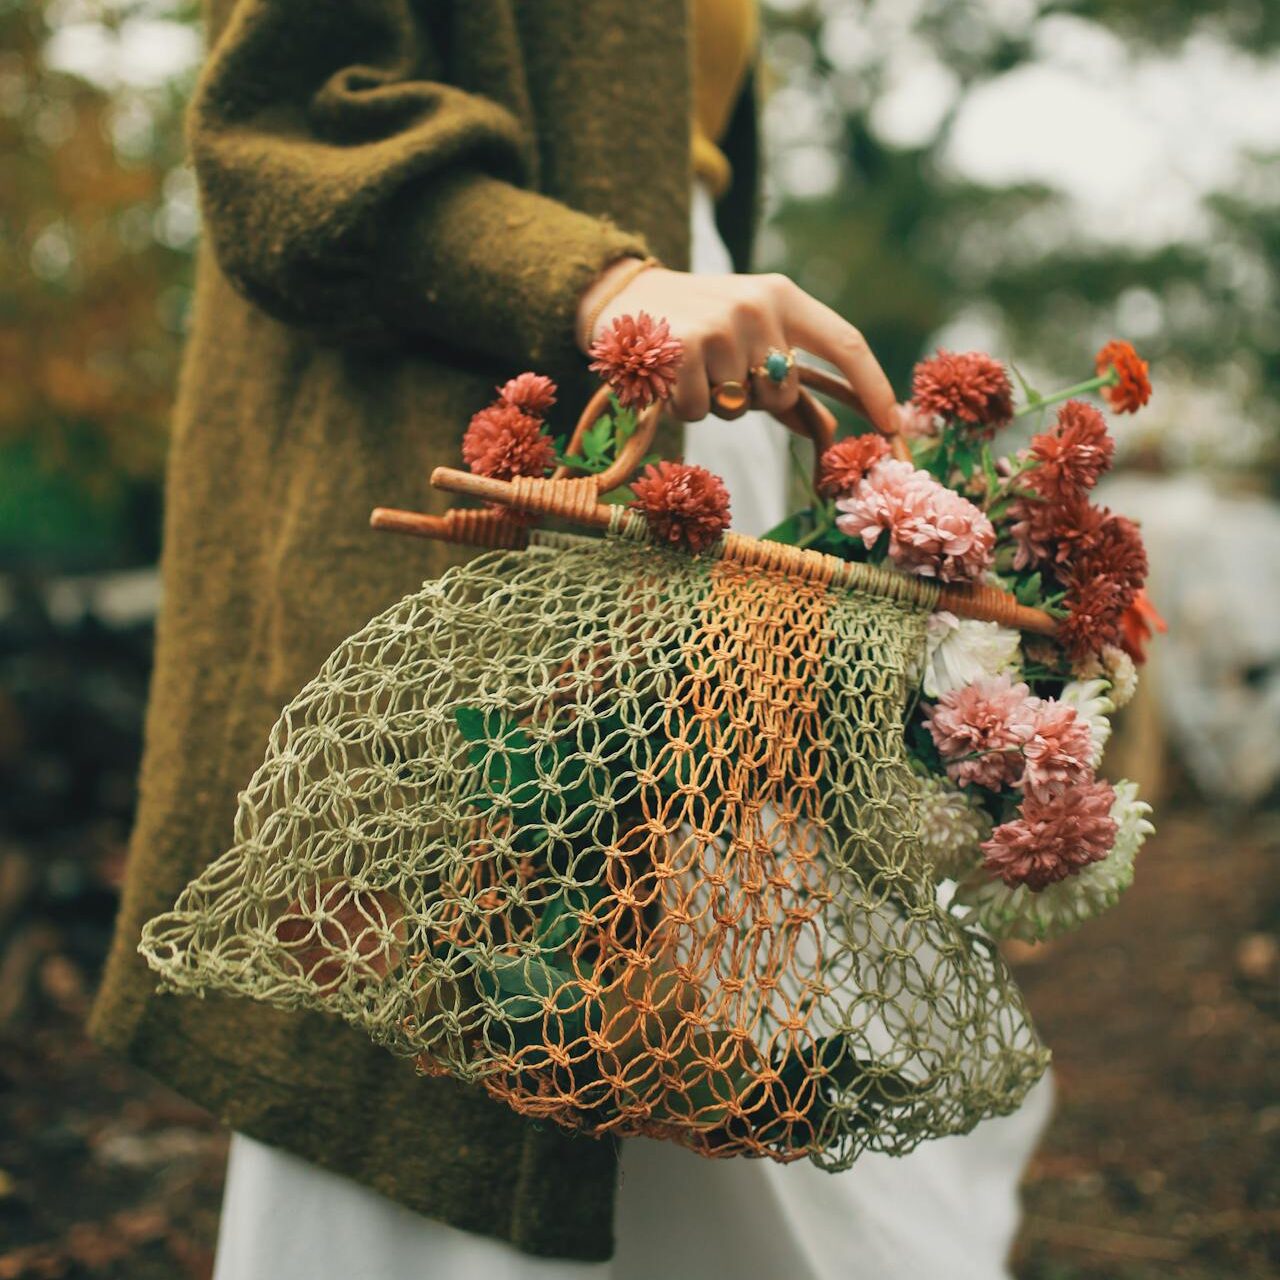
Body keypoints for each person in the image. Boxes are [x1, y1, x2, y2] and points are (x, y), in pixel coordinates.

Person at [91, 1, 1052, 1275]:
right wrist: (606, 286)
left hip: (682, 414)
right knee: (461, 1039)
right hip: (492, 411)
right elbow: (275, 139)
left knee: (711, 1016)